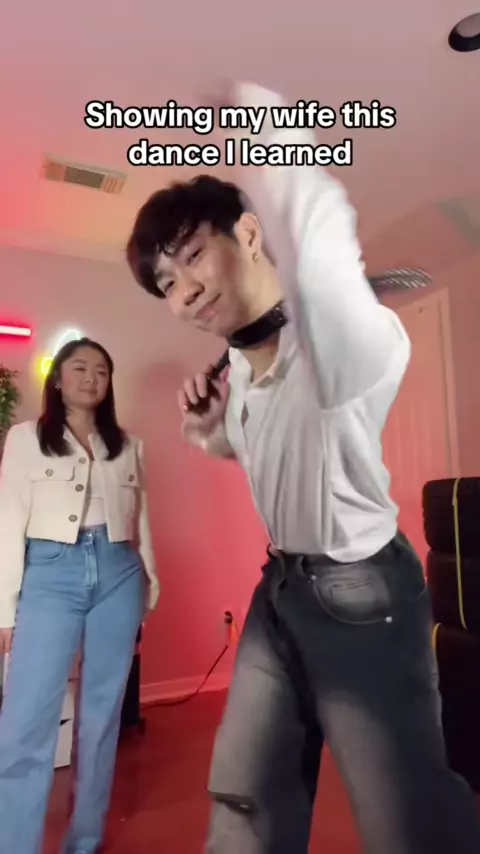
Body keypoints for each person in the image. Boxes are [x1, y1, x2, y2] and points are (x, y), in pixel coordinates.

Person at [126, 81, 480, 854]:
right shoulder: (241, 365)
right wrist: (213, 435)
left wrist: (259, 115)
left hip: (363, 591)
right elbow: (275, 459)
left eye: (193, 257)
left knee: (408, 822)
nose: (184, 292)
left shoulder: (343, 335)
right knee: (245, 797)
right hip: (281, 588)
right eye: (166, 284)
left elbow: (319, 241)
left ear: (249, 234)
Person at [0, 337, 159, 854]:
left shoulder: (128, 445)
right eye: (80, 368)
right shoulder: (26, 438)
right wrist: (4, 609)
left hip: (118, 574)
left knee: (102, 717)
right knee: (26, 722)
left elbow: (141, 521)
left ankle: (84, 841)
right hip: (50, 574)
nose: (92, 378)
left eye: (102, 371)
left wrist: (149, 583)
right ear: (58, 378)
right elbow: (8, 520)